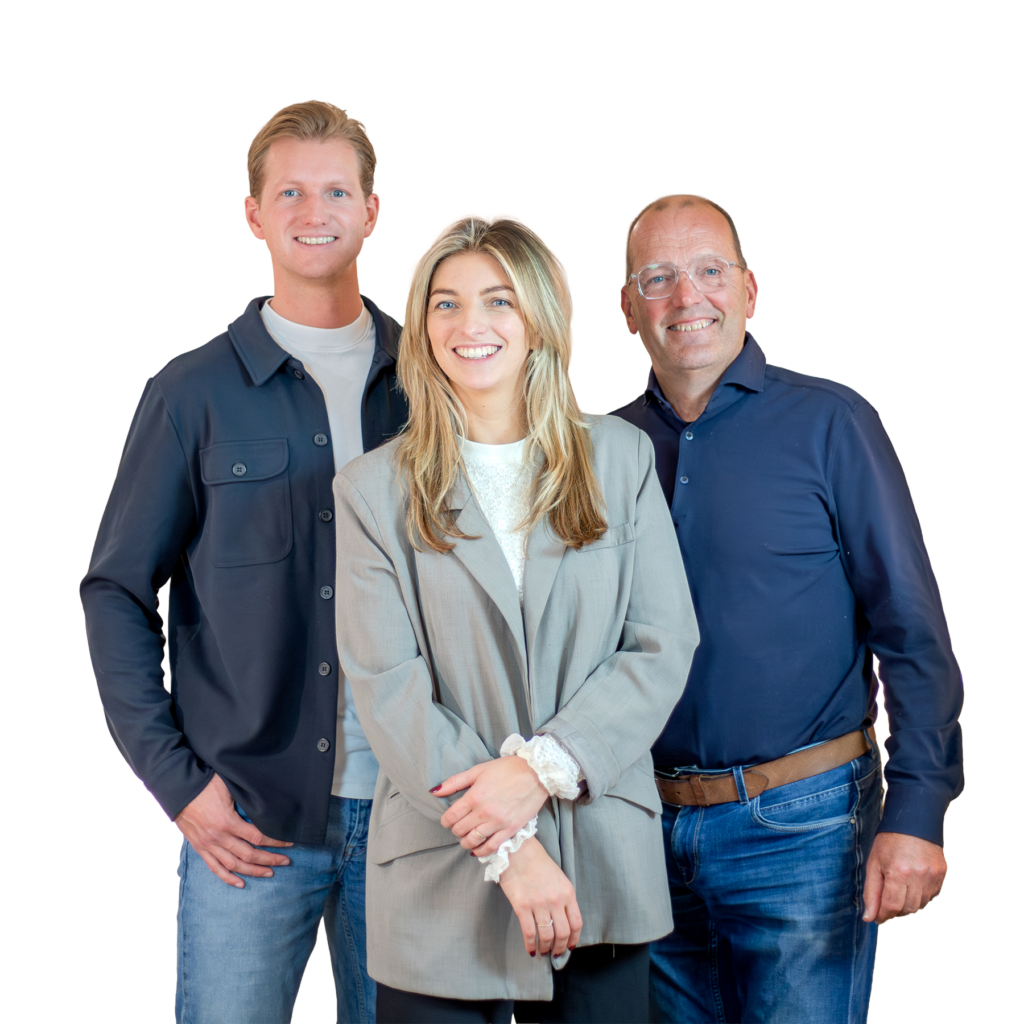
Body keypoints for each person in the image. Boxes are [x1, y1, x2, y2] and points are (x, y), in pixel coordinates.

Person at [79, 99, 408, 1023]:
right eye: (290, 192)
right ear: (254, 215)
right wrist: (178, 785)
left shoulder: (435, 381)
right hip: (249, 820)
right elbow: (114, 591)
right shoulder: (189, 393)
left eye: (336, 191)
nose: (315, 211)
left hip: (413, 818)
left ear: (371, 211)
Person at [330, 213, 700, 1024]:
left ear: (539, 317)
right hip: (441, 874)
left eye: (498, 300)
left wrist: (539, 771)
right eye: (447, 303)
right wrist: (509, 847)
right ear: (422, 326)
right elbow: (388, 689)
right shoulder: (370, 491)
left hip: (600, 862)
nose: (471, 324)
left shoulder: (620, 459)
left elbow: (660, 644)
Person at [612, 193, 964, 1023]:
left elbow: (912, 633)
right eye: (658, 278)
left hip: (805, 828)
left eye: (709, 271)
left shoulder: (832, 422)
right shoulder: (603, 448)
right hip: (641, 833)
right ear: (628, 308)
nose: (687, 297)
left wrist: (918, 809)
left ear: (749, 289)